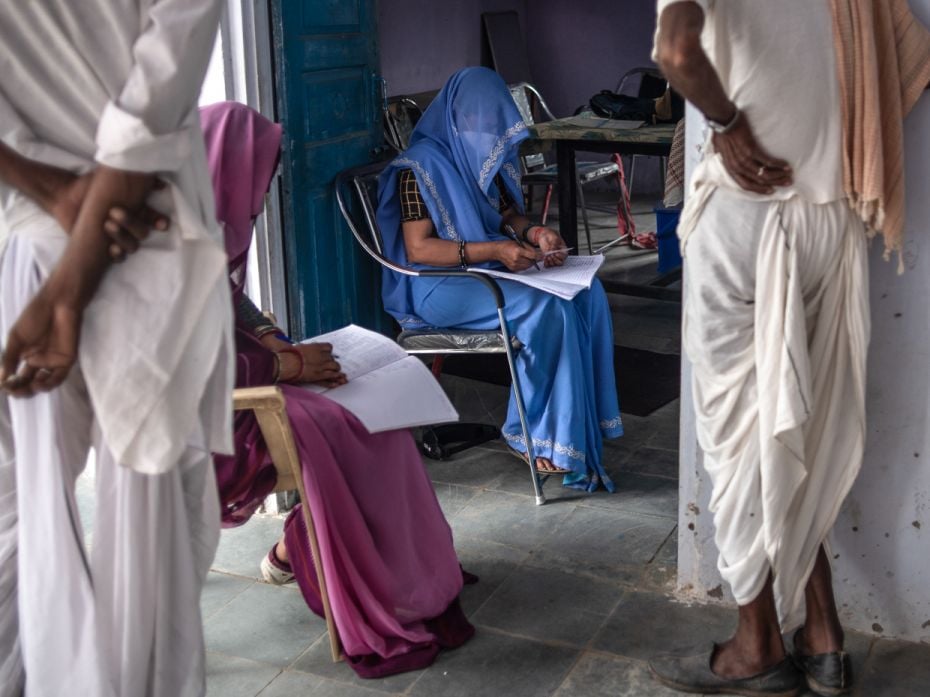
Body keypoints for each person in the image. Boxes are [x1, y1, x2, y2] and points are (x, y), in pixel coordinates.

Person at [648, 2, 930, 696]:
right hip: (830, 217)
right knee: (799, 422)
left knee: (738, 434)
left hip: (747, 218)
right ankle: (825, 636)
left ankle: (757, 645)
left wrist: (726, 123)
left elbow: (676, 51)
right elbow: (912, 60)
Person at [0, 2, 233, 696]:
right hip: (153, 242)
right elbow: (166, 74)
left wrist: (58, 195)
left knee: (21, 524)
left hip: (33, 248)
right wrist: (76, 277)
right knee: (156, 555)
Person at [201, 101, 475, 679]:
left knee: (382, 419)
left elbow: (233, 302)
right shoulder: (159, 256)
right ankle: (312, 553)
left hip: (259, 376)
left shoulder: (206, 231)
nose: (261, 191)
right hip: (224, 417)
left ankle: (380, 566)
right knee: (354, 427)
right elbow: (190, 369)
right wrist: (287, 368)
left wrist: (275, 340)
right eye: (255, 175)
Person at [376, 67, 623, 491]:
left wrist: (534, 233)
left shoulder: (484, 159)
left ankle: (579, 425)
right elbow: (418, 249)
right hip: (436, 285)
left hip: (483, 273)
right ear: (458, 117)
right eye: (481, 123)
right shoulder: (418, 168)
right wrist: (495, 251)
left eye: (494, 125)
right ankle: (529, 433)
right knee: (547, 307)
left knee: (589, 292)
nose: (488, 134)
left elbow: (508, 216)